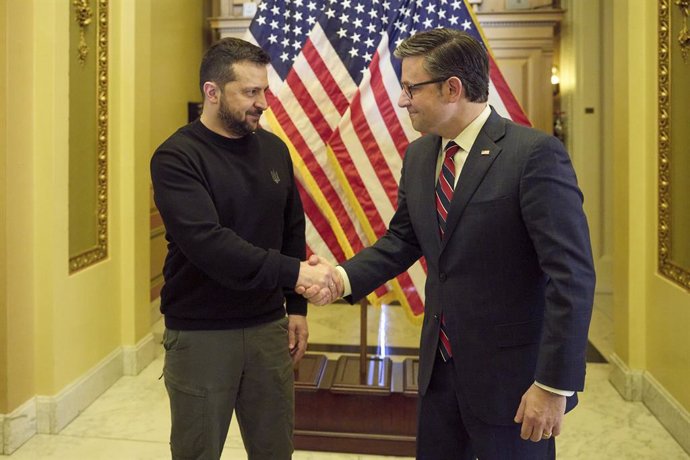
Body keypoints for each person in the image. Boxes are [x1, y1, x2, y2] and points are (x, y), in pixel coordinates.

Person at [300, 28, 595, 460]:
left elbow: (570, 276)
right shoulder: (421, 156)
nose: (402, 100)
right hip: (439, 376)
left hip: (511, 384)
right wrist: (339, 279)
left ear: (452, 88)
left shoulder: (532, 155)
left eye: (410, 88)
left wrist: (552, 385)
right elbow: (402, 240)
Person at [150, 37, 338, 460]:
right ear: (212, 92)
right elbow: (209, 243)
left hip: (268, 329)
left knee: (275, 450)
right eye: (250, 92)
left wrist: (297, 309)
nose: (263, 103)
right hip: (201, 333)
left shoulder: (274, 149)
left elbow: (291, 228)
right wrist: (295, 274)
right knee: (197, 451)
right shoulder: (177, 157)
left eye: (265, 91)